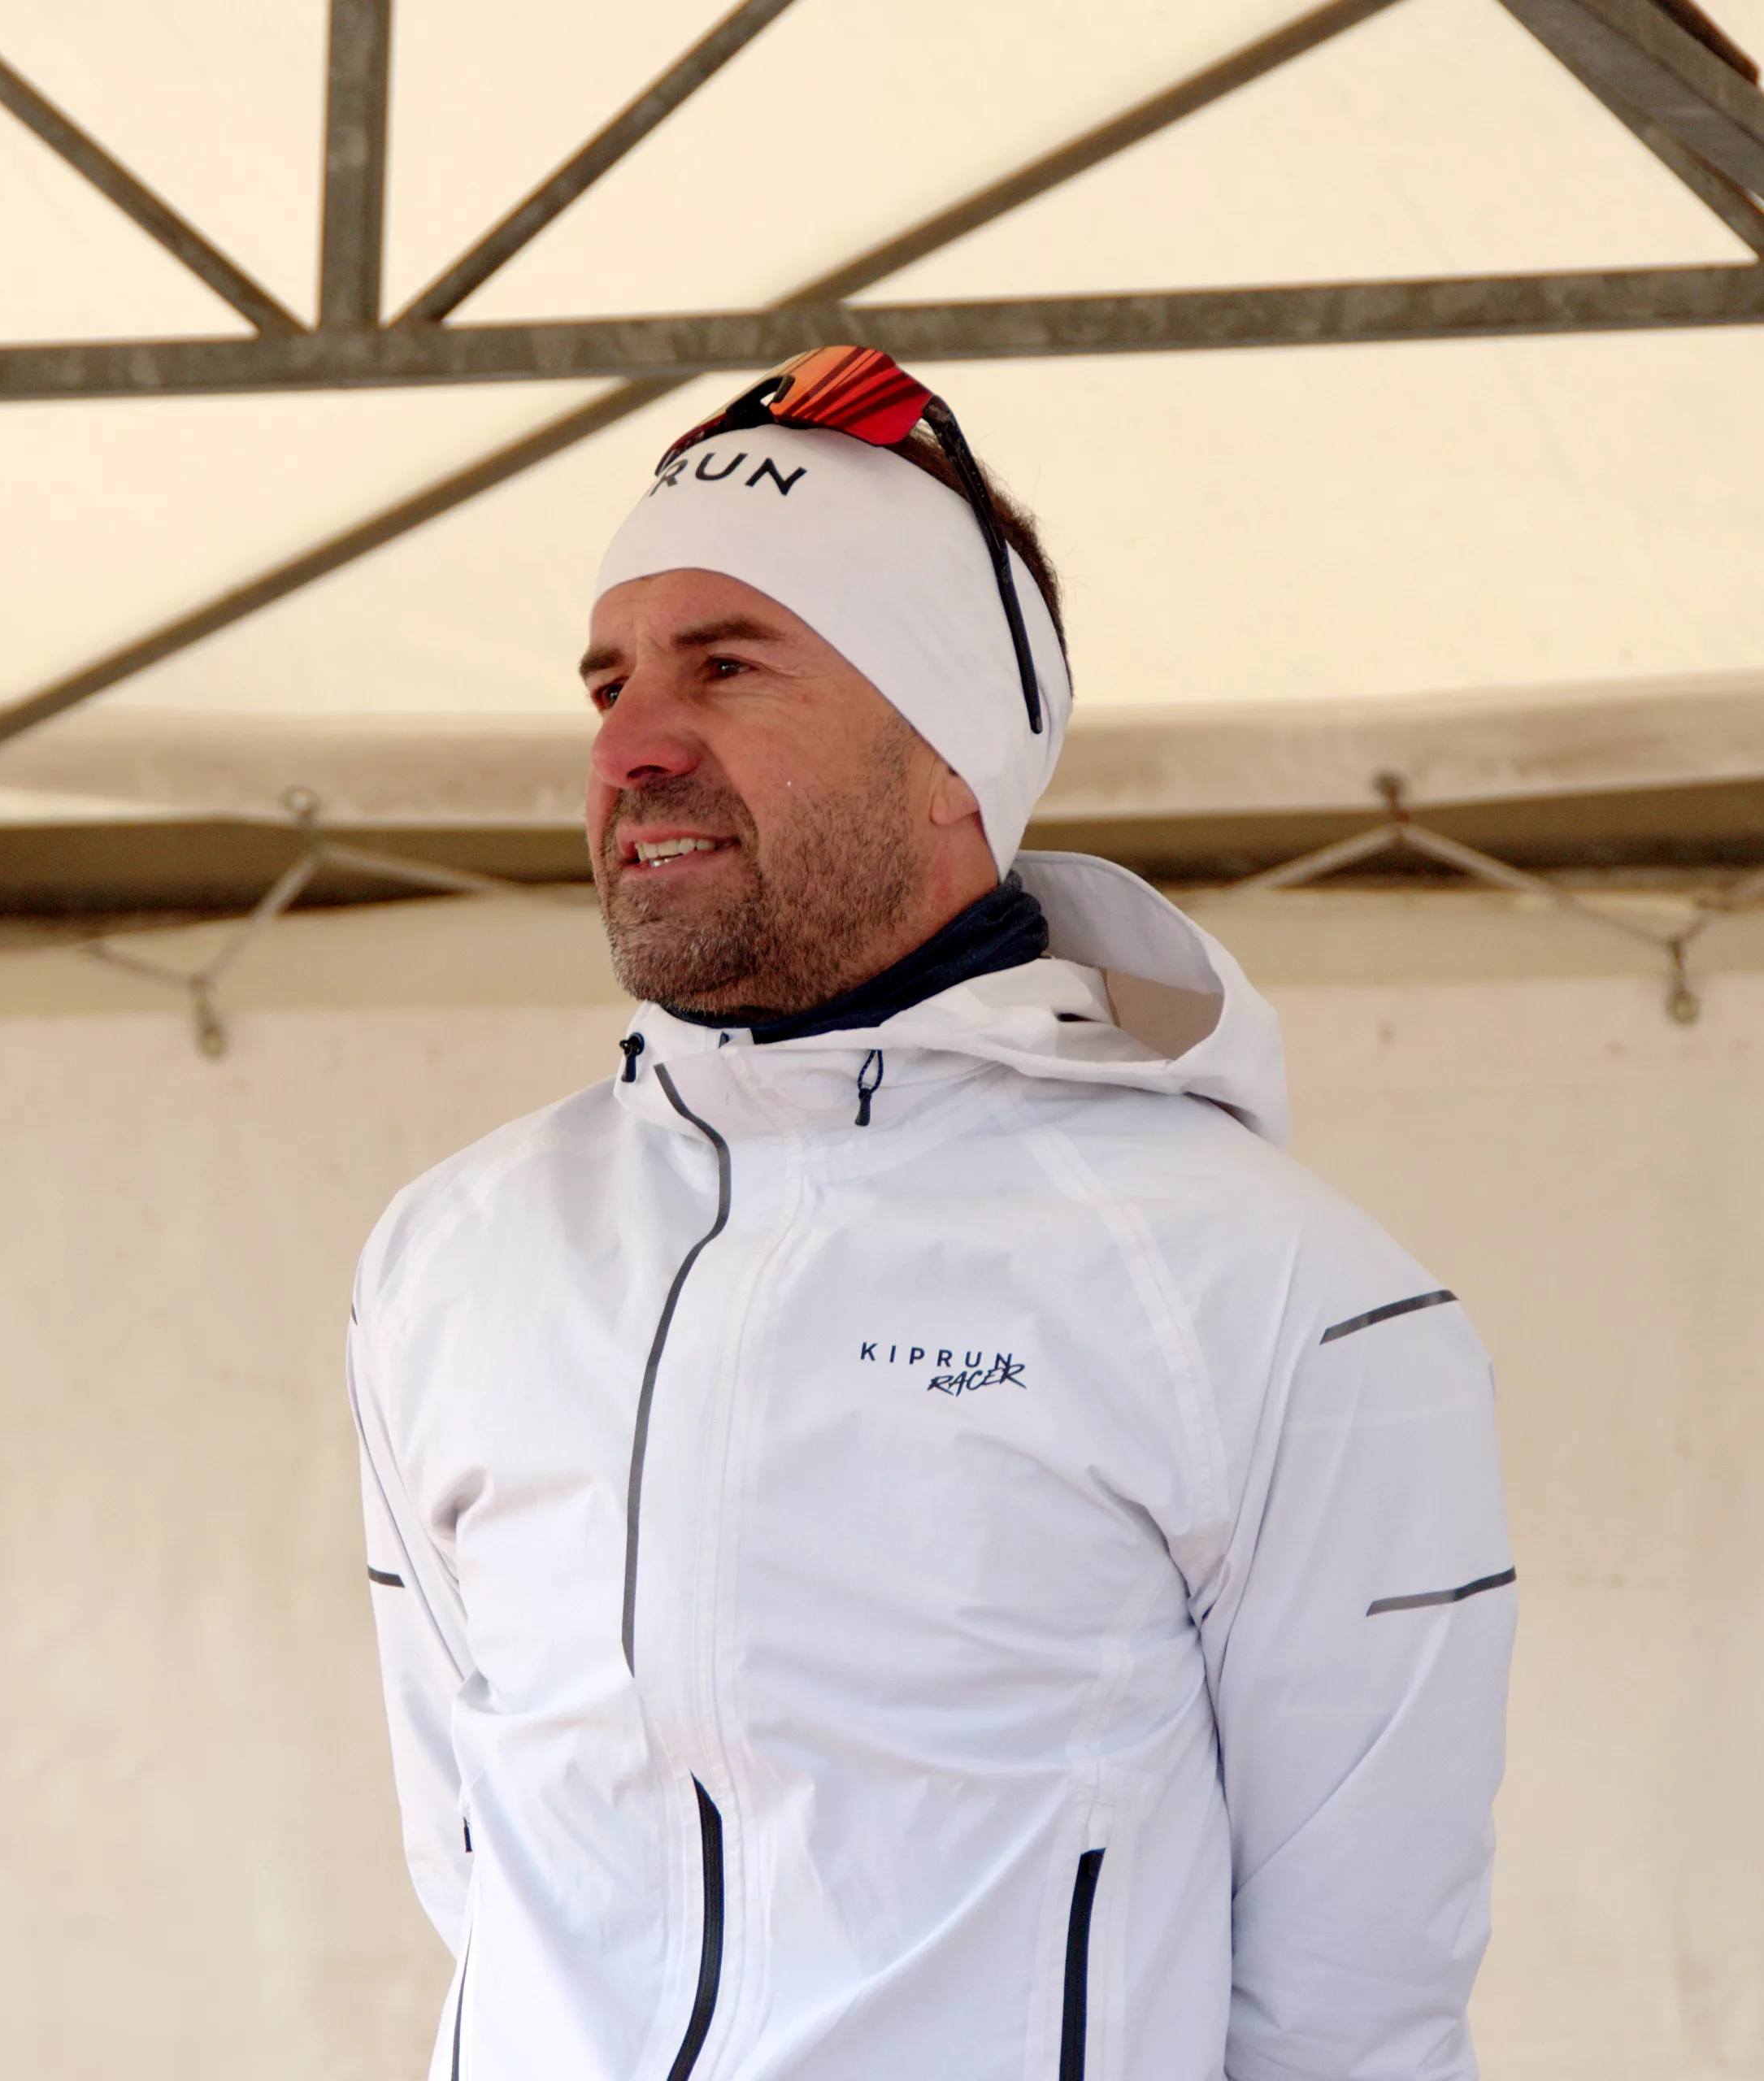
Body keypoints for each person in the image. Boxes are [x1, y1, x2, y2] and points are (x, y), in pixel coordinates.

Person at [347, 347, 1514, 2081]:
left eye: (727, 664)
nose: (631, 747)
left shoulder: (1282, 1295)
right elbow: (481, 1871)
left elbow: (1356, 2014)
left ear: (950, 754)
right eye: (606, 683)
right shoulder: (453, 1255)